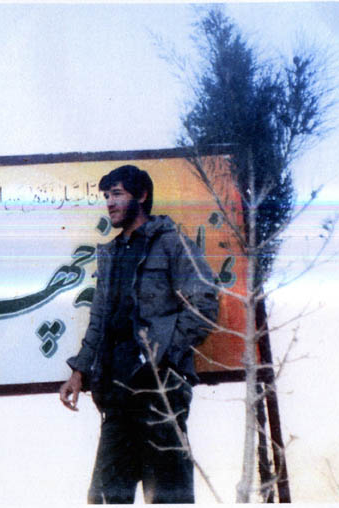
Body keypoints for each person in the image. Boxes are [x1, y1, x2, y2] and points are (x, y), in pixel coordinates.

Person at [59, 165, 219, 504]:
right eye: (107, 196)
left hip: (161, 393)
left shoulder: (172, 244)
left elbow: (204, 305)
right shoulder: (112, 254)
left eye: (117, 194)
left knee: (168, 499)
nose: (109, 203)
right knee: (105, 498)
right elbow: (100, 320)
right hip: (116, 393)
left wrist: (161, 358)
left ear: (142, 196)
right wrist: (79, 371)